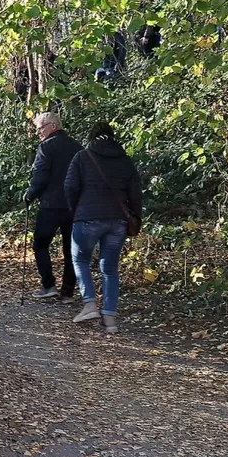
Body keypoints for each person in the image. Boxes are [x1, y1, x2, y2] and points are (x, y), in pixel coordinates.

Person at [63, 121, 143, 334]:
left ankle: (89, 304)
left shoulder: (82, 157)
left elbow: (70, 186)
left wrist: (76, 211)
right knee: (110, 268)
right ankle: (110, 321)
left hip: (87, 218)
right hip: (118, 221)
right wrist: (137, 219)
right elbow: (136, 193)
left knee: (80, 259)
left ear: (91, 137)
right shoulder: (125, 161)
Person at [23, 112, 79, 302]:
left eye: (40, 128)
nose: (38, 132)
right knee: (70, 249)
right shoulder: (77, 147)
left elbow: (41, 175)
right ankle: (67, 292)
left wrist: (30, 194)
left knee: (40, 244)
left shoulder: (47, 147)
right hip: (73, 206)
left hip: (51, 205)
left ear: (53, 126)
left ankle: (49, 285)